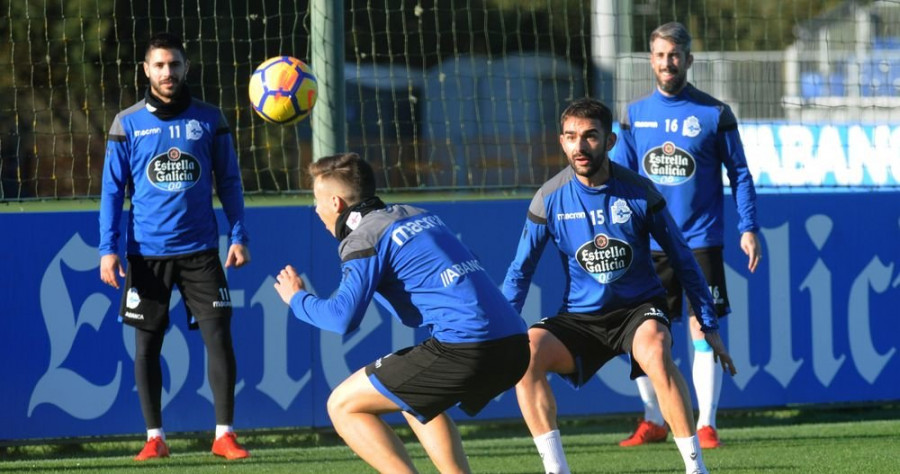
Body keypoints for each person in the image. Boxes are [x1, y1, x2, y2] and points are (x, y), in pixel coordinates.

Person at [503, 97, 736, 474]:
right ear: (561, 142)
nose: (580, 146)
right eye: (570, 137)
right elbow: (519, 271)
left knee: (657, 350)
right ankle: (556, 470)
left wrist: (708, 324)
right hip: (581, 317)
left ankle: (696, 469)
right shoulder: (548, 198)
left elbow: (683, 259)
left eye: (590, 136)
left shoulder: (641, 192)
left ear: (610, 142)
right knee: (526, 355)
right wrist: (497, 332)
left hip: (638, 310)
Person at [272, 152, 529, 474]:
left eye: (317, 200)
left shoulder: (364, 238)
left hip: (469, 348)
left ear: (336, 203)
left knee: (342, 406)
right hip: (517, 344)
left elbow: (341, 319)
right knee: (412, 398)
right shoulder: (419, 215)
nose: (316, 209)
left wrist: (297, 299)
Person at [98, 32, 251, 461]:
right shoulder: (126, 123)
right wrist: (107, 249)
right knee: (147, 345)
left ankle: (224, 435)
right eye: (159, 65)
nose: (168, 72)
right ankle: (155, 438)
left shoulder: (209, 118)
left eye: (175, 64)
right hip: (146, 254)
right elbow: (112, 192)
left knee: (219, 336)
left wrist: (238, 235)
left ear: (186, 68)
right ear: (146, 70)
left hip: (201, 251)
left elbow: (230, 182)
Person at [612, 21, 761, 450]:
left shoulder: (714, 114)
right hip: (648, 244)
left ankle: (707, 423)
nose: (667, 63)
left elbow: (741, 176)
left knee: (702, 328)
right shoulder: (634, 115)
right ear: (650, 60)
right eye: (659, 55)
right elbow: (619, 176)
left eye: (674, 55)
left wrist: (748, 227)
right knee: (643, 336)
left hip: (700, 241)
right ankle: (653, 419)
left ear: (689, 60)